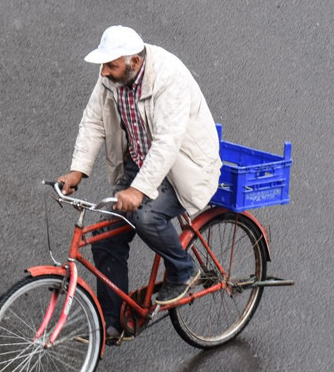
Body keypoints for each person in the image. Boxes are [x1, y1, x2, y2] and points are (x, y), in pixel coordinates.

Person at [56, 25, 222, 338]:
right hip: (142, 162)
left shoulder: (168, 78)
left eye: (111, 66)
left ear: (134, 62)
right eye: (103, 65)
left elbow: (167, 144)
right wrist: (78, 169)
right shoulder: (113, 76)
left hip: (184, 167)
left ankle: (184, 270)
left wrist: (138, 190)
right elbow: (93, 121)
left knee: (147, 217)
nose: (104, 72)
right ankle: (112, 323)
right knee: (107, 239)